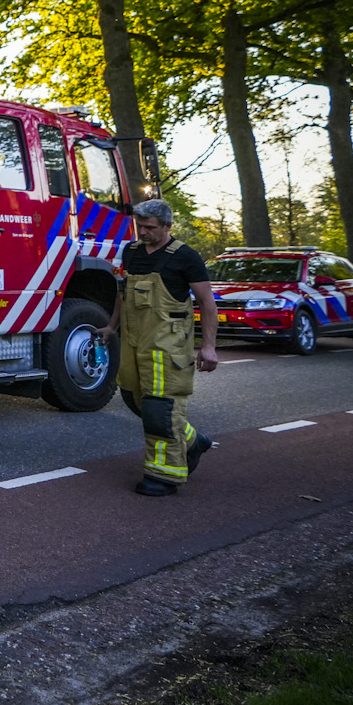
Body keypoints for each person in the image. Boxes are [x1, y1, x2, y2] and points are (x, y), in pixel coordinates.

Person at [104, 198, 219, 497]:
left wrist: (209, 347)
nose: (143, 232)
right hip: (133, 342)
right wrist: (111, 327)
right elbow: (123, 294)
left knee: (159, 409)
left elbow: (207, 303)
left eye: (150, 228)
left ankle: (164, 475)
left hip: (166, 346)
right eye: (139, 226)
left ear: (167, 226)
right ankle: (193, 441)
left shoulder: (186, 257)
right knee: (134, 400)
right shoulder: (130, 252)